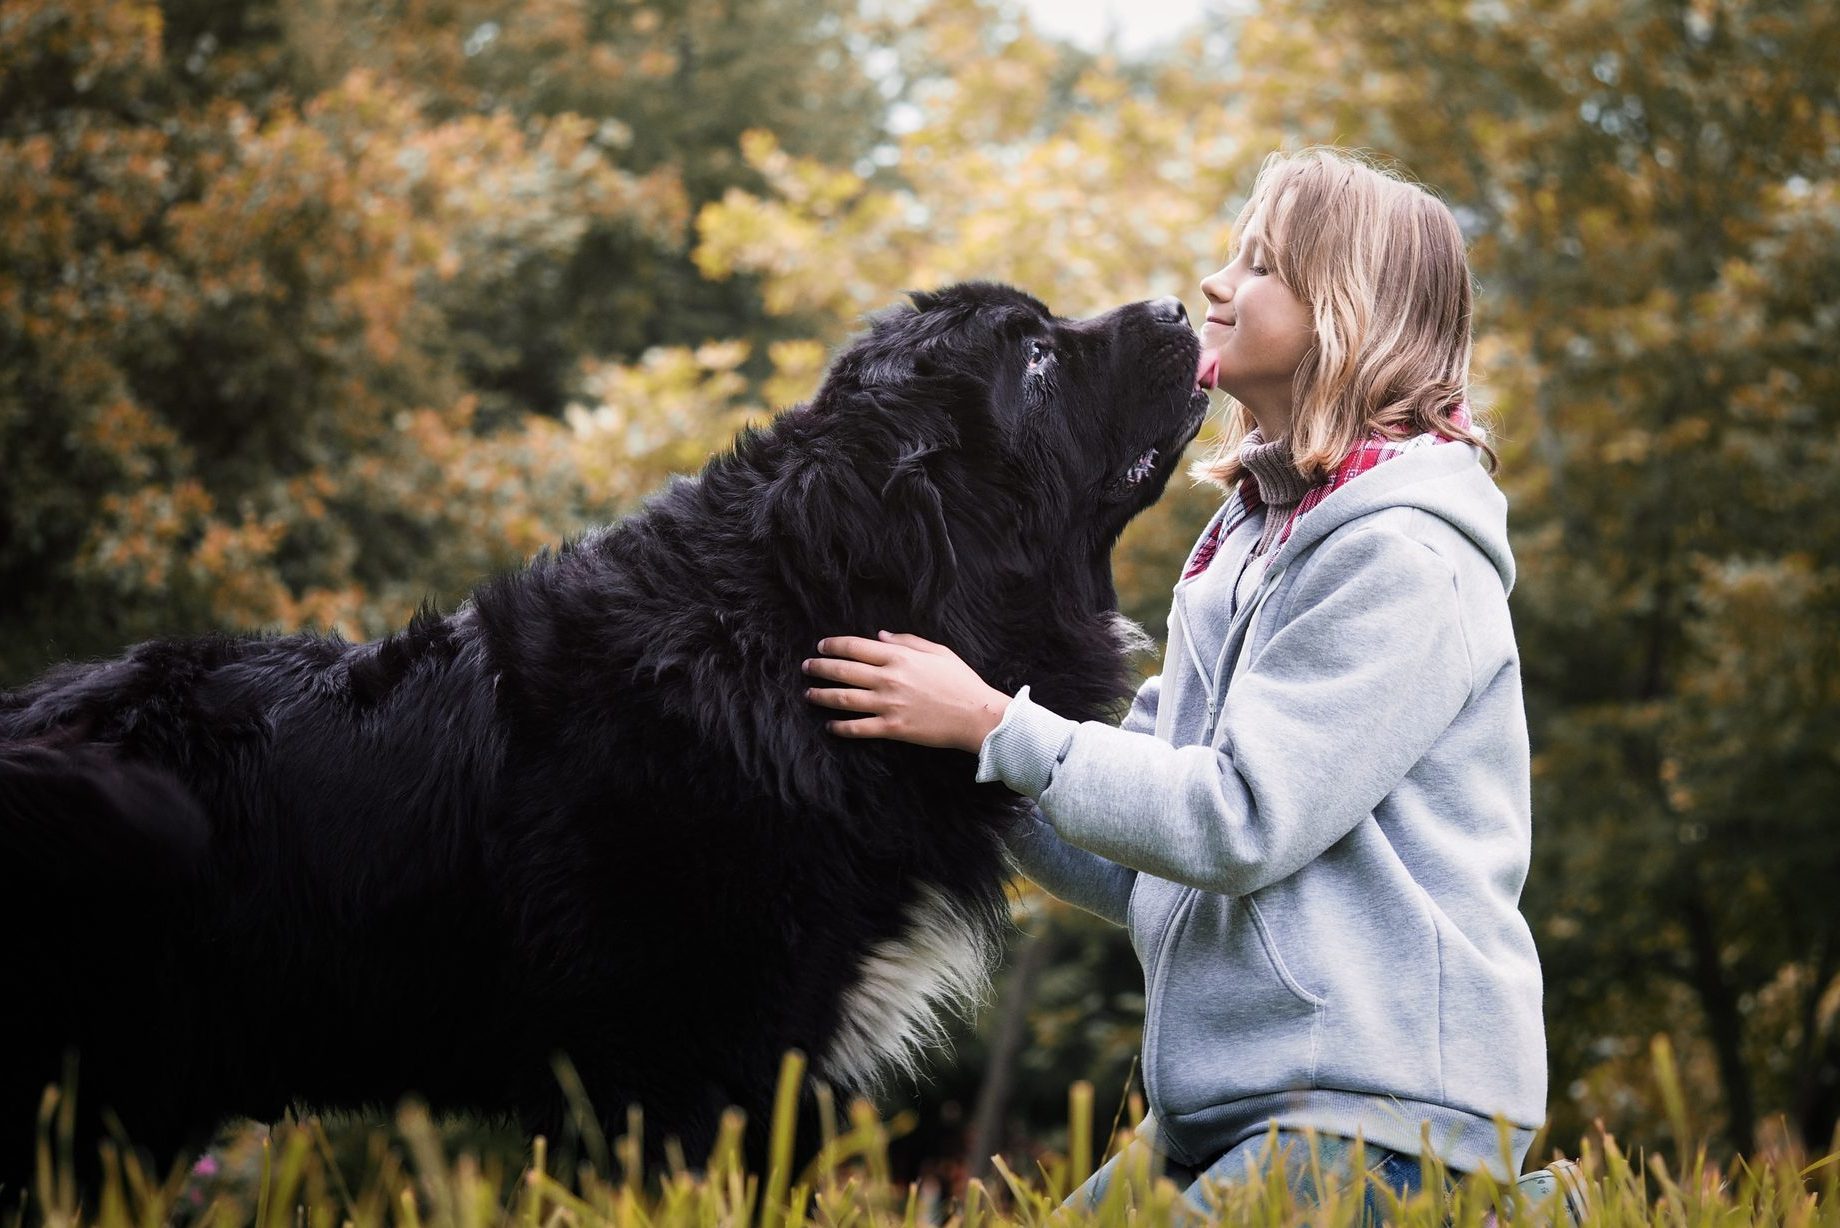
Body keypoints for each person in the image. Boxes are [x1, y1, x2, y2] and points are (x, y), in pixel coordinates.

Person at [801, 147, 1549, 1217]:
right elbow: (1142, 854)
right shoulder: (1246, 539)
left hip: (1379, 1117)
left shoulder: (1403, 561)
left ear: (1348, 312)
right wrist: (948, 752)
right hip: (1221, 1111)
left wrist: (992, 725)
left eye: (1261, 266)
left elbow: (1234, 823)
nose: (1216, 284)